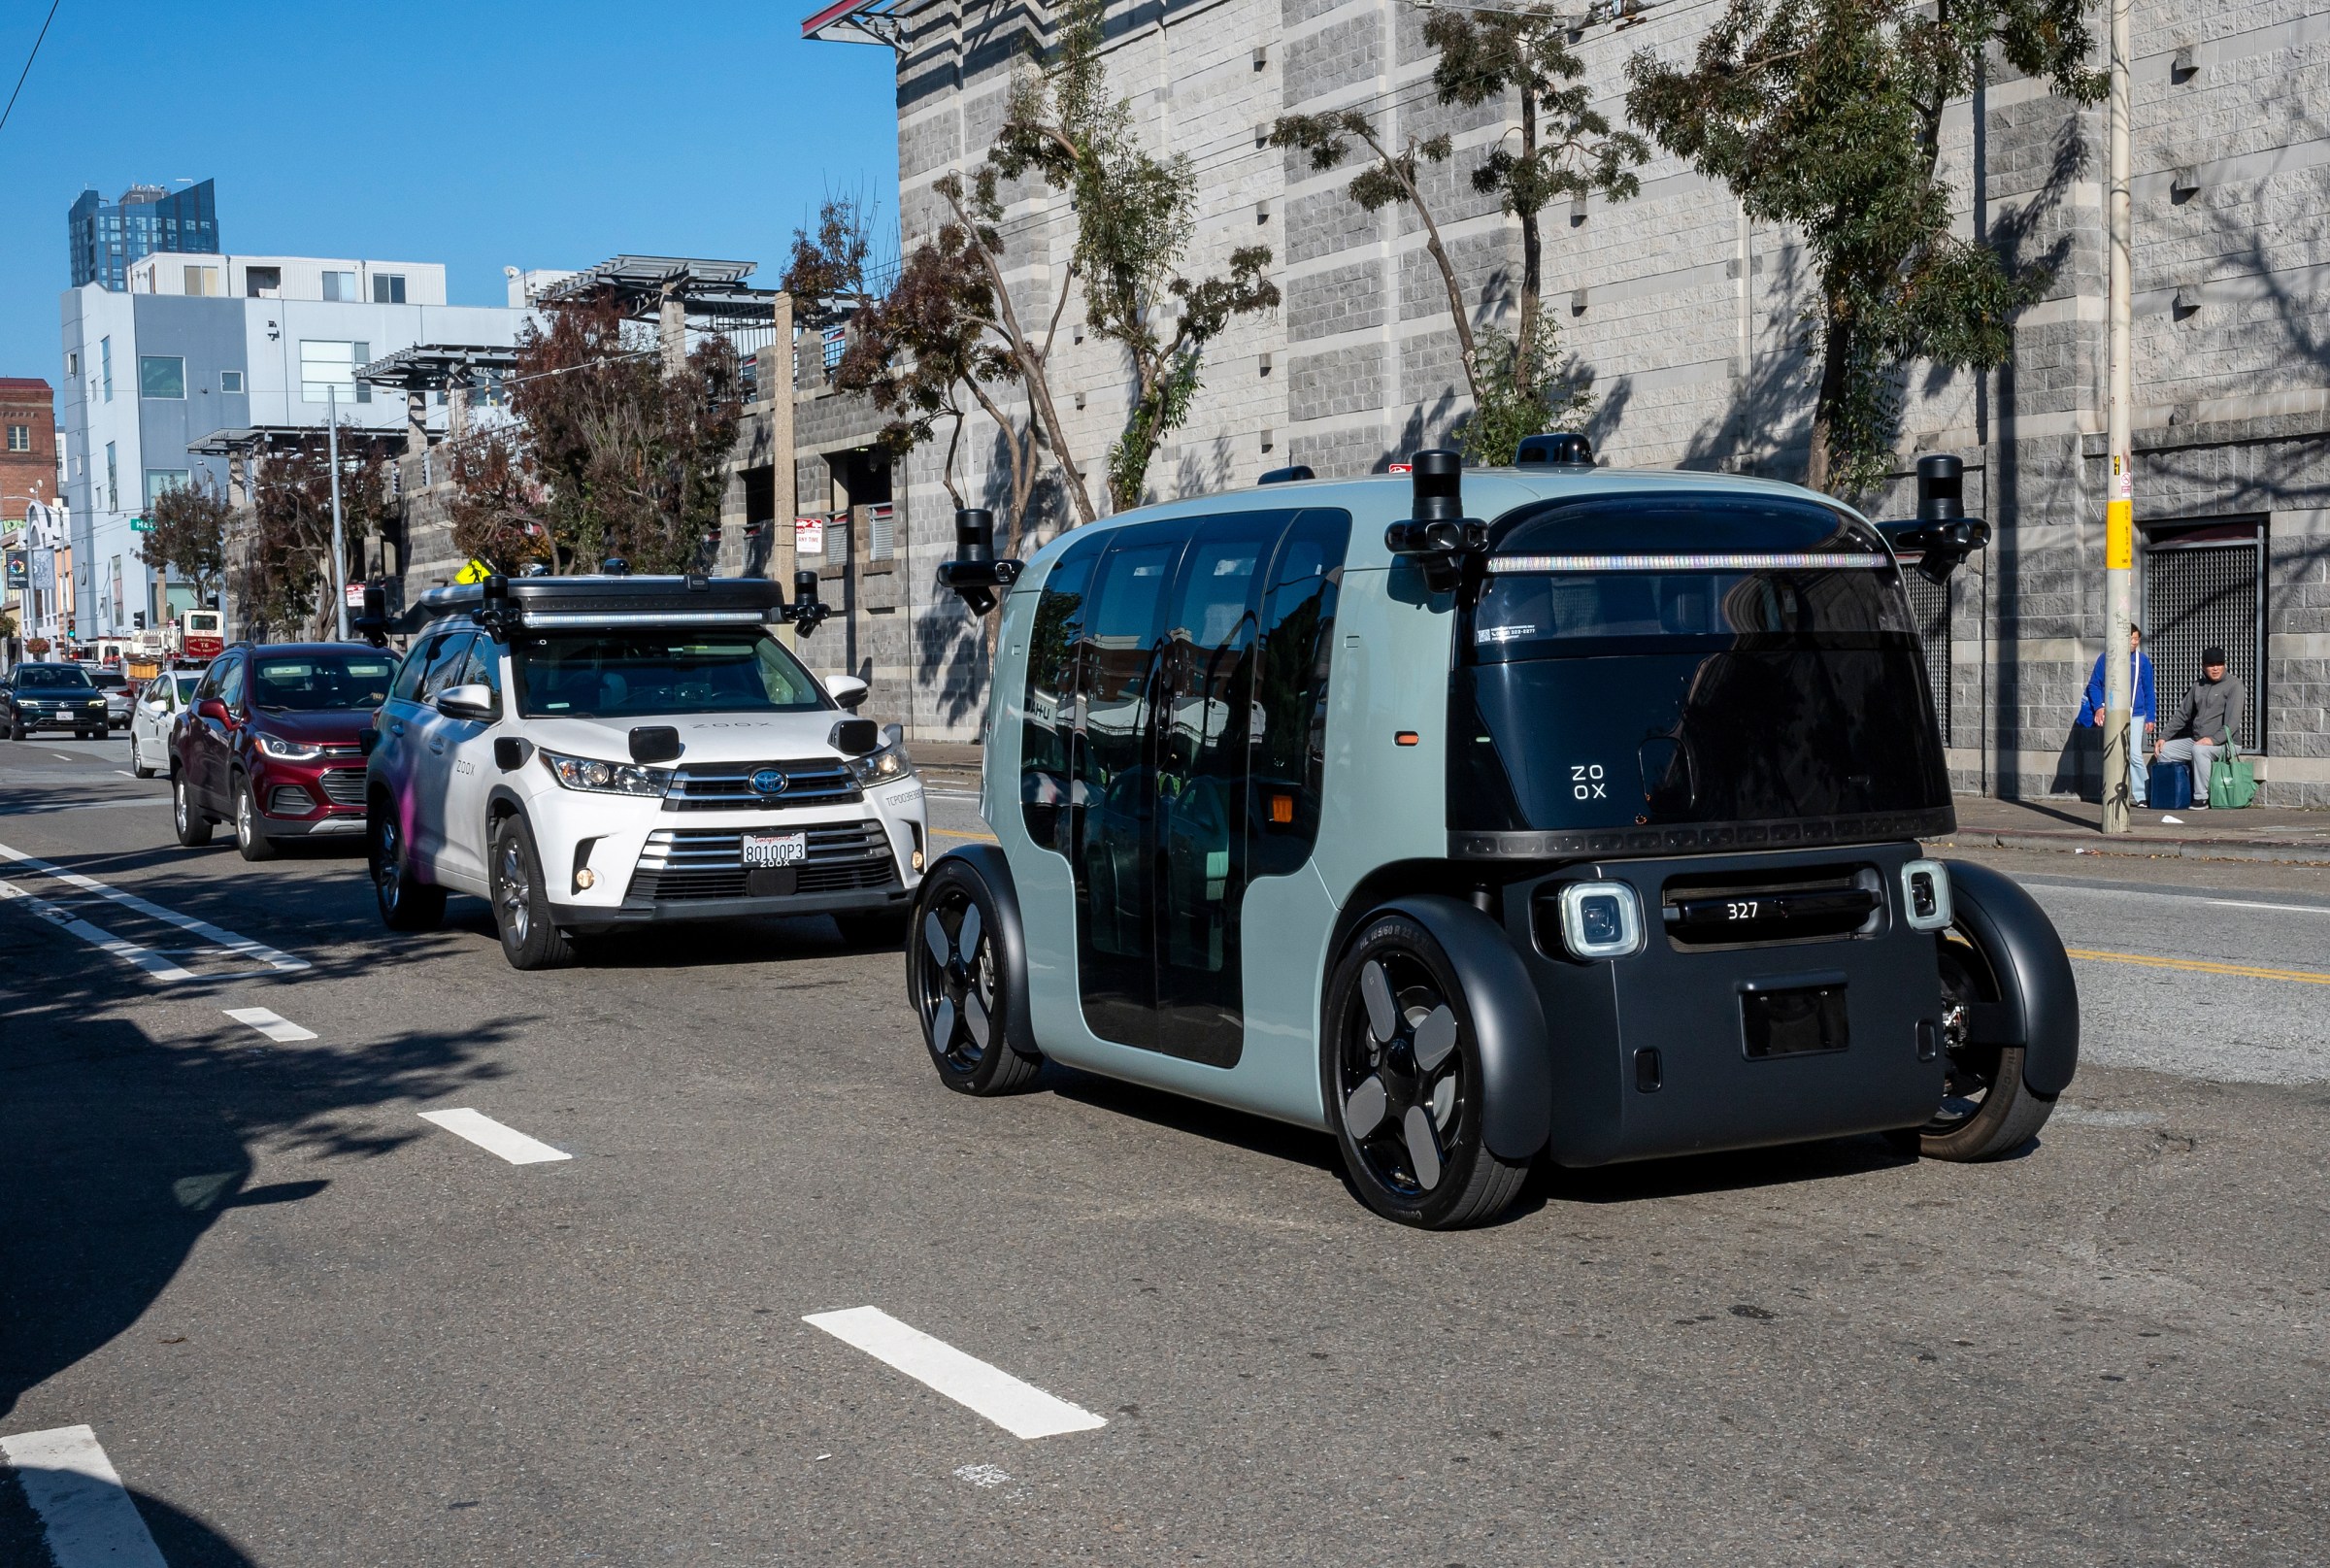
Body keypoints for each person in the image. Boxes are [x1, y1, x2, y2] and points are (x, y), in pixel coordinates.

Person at [2155, 645, 2247, 809]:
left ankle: (2201, 798)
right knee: (2164, 751)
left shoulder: (2235, 685)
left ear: (2225, 664)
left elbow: (2232, 723)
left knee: (2199, 750)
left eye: (2219, 664)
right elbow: (2182, 714)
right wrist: (2164, 736)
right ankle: (2177, 794)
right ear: (2203, 667)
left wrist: (2212, 740)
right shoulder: (2198, 686)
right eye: (2211, 665)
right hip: (2198, 740)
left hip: (2227, 744)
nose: (2215, 668)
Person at [2076, 625, 2156, 807]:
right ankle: (2115, 791)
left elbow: (2149, 689)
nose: (2134, 642)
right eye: (2131, 638)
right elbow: (2094, 685)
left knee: (2134, 753)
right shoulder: (2106, 658)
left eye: (2136, 638)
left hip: (2135, 713)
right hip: (2113, 713)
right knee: (2115, 752)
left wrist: (2150, 716)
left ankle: (2144, 794)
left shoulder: (2142, 661)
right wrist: (2099, 707)